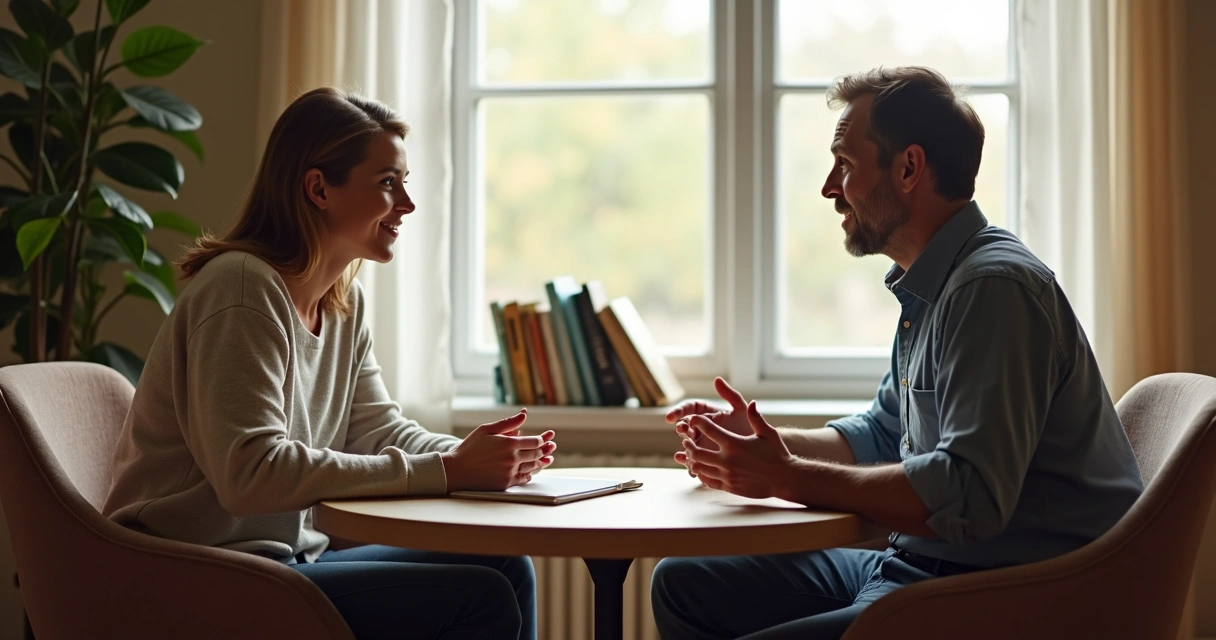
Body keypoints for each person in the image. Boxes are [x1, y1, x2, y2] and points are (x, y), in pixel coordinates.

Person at [649, 66, 1145, 640]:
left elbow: (968, 495)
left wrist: (785, 477)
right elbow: (883, 436)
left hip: (1004, 594)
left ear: (908, 168)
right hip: (919, 567)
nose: (829, 187)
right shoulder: (933, 285)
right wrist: (765, 447)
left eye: (846, 164)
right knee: (685, 581)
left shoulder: (992, 290)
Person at [103, 87, 555, 640]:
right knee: (480, 596)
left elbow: (376, 430)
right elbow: (250, 475)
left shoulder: (343, 300)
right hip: (192, 576)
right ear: (318, 188)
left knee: (505, 566)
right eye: (388, 183)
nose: (407, 205)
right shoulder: (241, 290)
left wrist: (473, 458)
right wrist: (450, 472)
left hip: (283, 562)